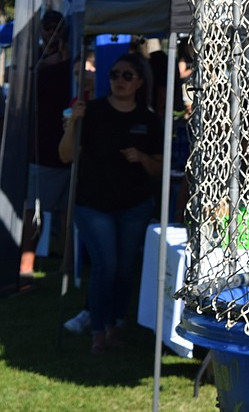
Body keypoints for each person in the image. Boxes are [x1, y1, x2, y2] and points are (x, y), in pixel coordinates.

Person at [59, 52, 163, 353]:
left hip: (134, 204)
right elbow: (66, 156)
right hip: (92, 203)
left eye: (127, 76)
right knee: (106, 265)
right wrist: (73, 124)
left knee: (124, 268)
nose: (119, 80)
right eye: (115, 74)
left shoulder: (148, 119)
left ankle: (116, 323)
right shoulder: (89, 111)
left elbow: (158, 168)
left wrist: (141, 157)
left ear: (139, 82)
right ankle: (99, 330)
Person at [19, 10, 74, 281]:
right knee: (35, 210)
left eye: (57, 29)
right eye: (47, 28)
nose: (52, 34)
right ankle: (25, 267)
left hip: (67, 145)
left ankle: (66, 266)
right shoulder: (35, 60)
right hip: (41, 148)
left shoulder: (70, 57)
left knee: (66, 212)